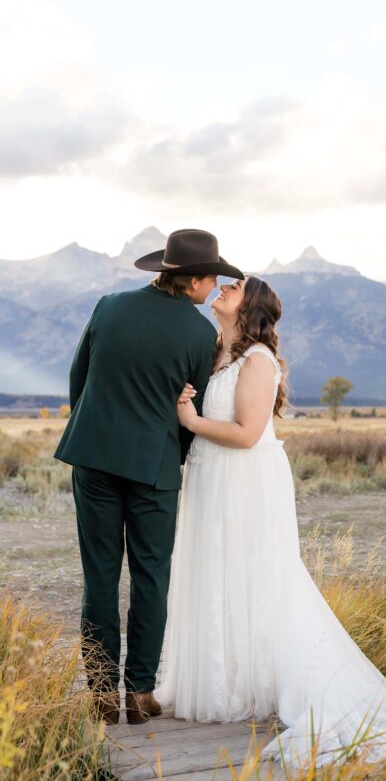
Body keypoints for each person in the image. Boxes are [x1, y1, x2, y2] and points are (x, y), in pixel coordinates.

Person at [155, 275, 386, 765]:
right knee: (219, 571)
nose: (224, 287)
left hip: (243, 478)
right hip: (211, 476)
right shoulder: (217, 355)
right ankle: (225, 679)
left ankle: (268, 681)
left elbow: (249, 433)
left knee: (255, 572)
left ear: (249, 307)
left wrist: (190, 421)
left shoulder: (258, 360)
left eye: (236, 286)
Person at [54, 229, 244, 726]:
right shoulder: (199, 335)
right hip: (155, 469)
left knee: (98, 578)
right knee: (150, 578)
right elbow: (191, 408)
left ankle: (100, 695)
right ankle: (139, 694)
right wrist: (173, 454)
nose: (212, 290)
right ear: (194, 280)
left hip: (93, 459)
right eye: (212, 281)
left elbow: (79, 381)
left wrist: (96, 432)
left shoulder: (109, 306)